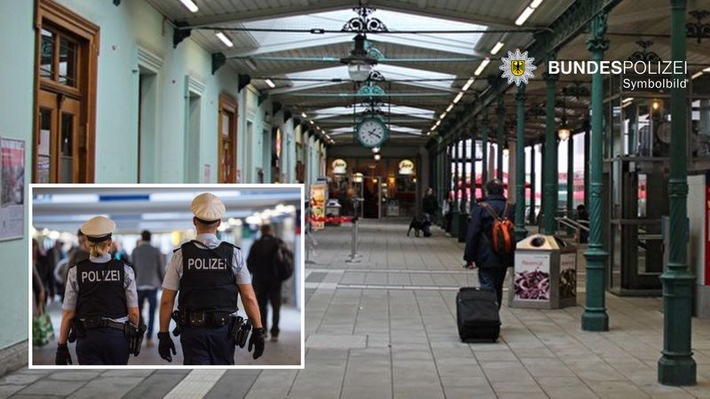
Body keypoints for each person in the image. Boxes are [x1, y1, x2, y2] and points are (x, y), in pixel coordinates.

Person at [158, 192, 265, 365]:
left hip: (192, 332)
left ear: (194, 221)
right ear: (219, 223)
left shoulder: (180, 256)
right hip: (224, 332)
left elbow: (166, 301)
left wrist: (163, 334)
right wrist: (258, 330)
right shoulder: (234, 254)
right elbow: (249, 297)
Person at [55, 216, 143, 365]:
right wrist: (134, 332)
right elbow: (134, 313)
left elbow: (68, 313)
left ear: (88, 243)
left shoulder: (75, 272)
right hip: (117, 337)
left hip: (87, 338)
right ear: (109, 243)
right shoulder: (125, 271)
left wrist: (62, 346)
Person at [463, 179, 515, 308]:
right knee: (498, 286)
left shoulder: (481, 208)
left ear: (488, 191)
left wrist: (469, 257)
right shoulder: (510, 208)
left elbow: (473, 233)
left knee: (486, 285)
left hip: (485, 254)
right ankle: (495, 313)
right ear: (502, 191)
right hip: (504, 254)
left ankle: (488, 315)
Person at [247, 224, 286, 342]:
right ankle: (275, 332)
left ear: (262, 231)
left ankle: (263, 330)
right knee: (276, 306)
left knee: (262, 307)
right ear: (270, 231)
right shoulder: (277, 243)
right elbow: (285, 259)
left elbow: (249, 263)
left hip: (260, 281)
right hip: (275, 281)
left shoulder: (256, 244)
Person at [131, 230, 165, 348]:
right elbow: (161, 269)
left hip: (139, 284)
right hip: (152, 285)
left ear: (142, 238)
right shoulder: (156, 251)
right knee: (152, 313)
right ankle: (149, 338)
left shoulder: (135, 251)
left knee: (138, 312)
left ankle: (138, 334)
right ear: (150, 238)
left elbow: (132, 269)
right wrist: (163, 283)